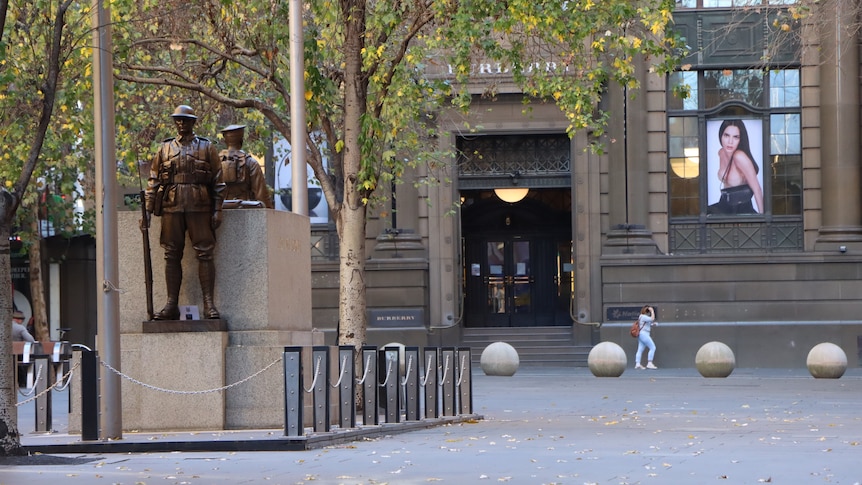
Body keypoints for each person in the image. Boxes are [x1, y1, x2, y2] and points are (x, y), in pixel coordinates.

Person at [142, 105, 225, 320]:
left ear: (192, 122)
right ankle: (171, 304)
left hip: (200, 205)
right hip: (172, 205)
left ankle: (208, 303)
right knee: (171, 254)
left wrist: (218, 209)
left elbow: (218, 180)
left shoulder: (207, 148)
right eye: (178, 120)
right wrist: (148, 211)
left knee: (205, 253)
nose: (181, 124)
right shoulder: (164, 149)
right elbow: (153, 181)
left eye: (185, 120)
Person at [708, 119, 764, 215]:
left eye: (736, 137)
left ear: (740, 139)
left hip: (741, 209)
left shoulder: (739, 156)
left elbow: (757, 189)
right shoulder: (721, 152)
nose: (730, 142)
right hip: (724, 205)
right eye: (726, 135)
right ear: (721, 135)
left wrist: (763, 218)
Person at [218, 124, 273, 208]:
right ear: (241, 140)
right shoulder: (251, 163)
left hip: (221, 210)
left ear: (225, 140)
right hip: (245, 210)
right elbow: (261, 194)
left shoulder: (215, 162)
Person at [634, 305, 658, 370]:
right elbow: (652, 318)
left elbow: (647, 324)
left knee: (640, 349)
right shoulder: (644, 316)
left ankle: (637, 364)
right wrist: (652, 311)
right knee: (653, 347)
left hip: (641, 334)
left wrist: (652, 324)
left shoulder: (641, 317)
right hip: (644, 334)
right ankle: (649, 363)